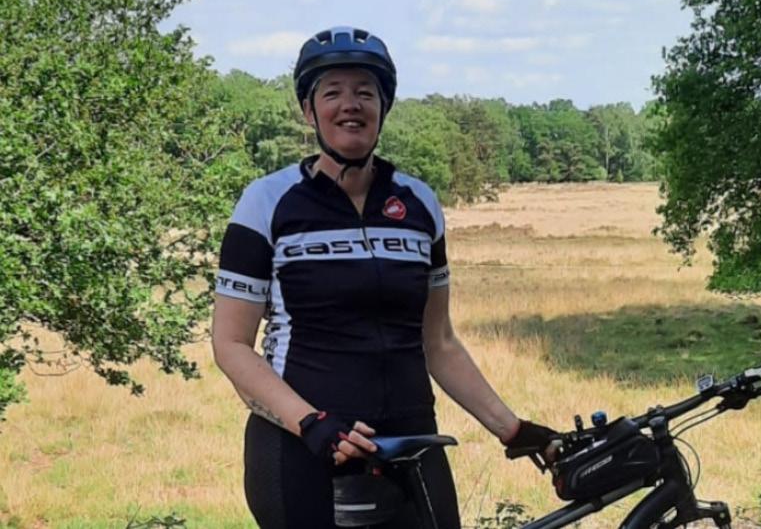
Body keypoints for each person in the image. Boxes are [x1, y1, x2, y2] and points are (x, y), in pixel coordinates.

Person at [211, 26, 557, 528]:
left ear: (384, 107)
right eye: (332, 92)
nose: (350, 105)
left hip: (411, 442)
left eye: (365, 93)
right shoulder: (267, 202)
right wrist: (310, 422)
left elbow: (438, 342)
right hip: (304, 448)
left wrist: (513, 429)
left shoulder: (418, 204)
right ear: (309, 111)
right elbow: (231, 344)